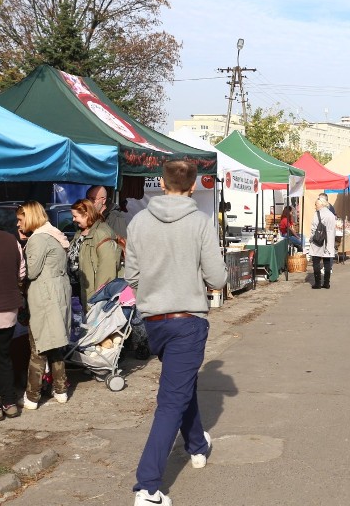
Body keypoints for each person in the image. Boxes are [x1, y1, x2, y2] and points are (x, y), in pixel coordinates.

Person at [127, 160, 227, 506]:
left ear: (162, 182)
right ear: (194, 185)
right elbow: (218, 278)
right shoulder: (200, 222)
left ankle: (197, 443)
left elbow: (132, 275)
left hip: (154, 321)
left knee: (181, 385)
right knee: (172, 399)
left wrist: (154, 288)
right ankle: (148, 486)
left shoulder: (139, 221)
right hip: (187, 319)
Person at [16, 201, 71, 410]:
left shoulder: (38, 239)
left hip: (44, 299)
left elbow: (29, 272)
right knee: (55, 344)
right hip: (57, 296)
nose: (19, 225)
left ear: (29, 217)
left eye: (20, 220)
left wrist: (23, 247)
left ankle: (32, 396)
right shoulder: (53, 235)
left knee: (38, 347)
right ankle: (60, 390)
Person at [70, 199, 122, 310]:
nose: (73, 219)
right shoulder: (80, 233)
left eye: (75, 216)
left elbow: (107, 271)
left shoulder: (101, 233)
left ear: (86, 215)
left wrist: (98, 299)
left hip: (94, 297)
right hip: (81, 292)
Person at [0, 217, 24, 419]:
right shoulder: (11, 240)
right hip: (8, 309)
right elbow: (22, 273)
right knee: (4, 356)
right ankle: (9, 402)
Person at [310, 195, 337, 289]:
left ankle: (317, 283)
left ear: (321, 204)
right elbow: (333, 228)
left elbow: (313, 228)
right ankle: (326, 283)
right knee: (327, 262)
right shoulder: (331, 214)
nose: (315, 206)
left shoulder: (317, 214)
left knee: (316, 261)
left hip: (318, 240)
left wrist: (311, 238)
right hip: (329, 240)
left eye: (316, 204)